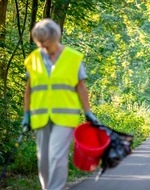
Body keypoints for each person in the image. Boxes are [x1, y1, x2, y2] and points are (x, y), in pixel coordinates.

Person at [21, 18, 100, 190]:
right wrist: (26, 113)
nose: (42, 45)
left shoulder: (73, 57)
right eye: (39, 42)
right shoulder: (33, 58)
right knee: (43, 159)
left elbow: (81, 88)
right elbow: (29, 89)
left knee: (57, 156)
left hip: (65, 116)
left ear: (56, 37)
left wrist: (88, 112)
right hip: (40, 115)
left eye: (45, 41)